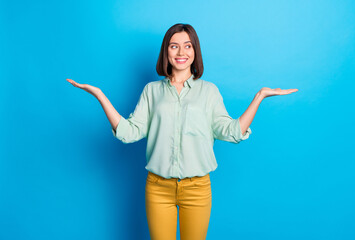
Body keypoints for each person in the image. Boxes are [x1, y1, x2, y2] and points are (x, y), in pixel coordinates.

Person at [66, 23, 298, 240]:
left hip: (197, 188)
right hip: (158, 188)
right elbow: (129, 132)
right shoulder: (152, 91)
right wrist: (100, 96)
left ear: (195, 51)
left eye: (187, 46)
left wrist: (259, 97)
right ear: (166, 51)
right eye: (174, 45)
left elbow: (231, 131)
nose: (181, 52)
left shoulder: (208, 91)